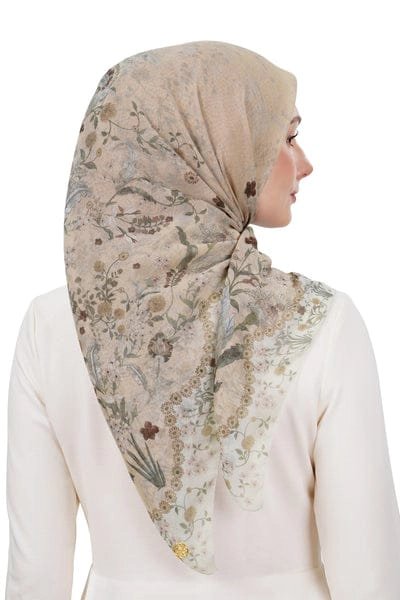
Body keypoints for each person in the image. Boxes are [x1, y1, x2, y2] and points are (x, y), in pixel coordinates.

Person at [5, 41, 400, 600]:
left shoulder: (52, 327)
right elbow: (371, 577)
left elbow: (34, 579)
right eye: (287, 137)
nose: (306, 163)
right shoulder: (321, 323)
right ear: (217, 145)